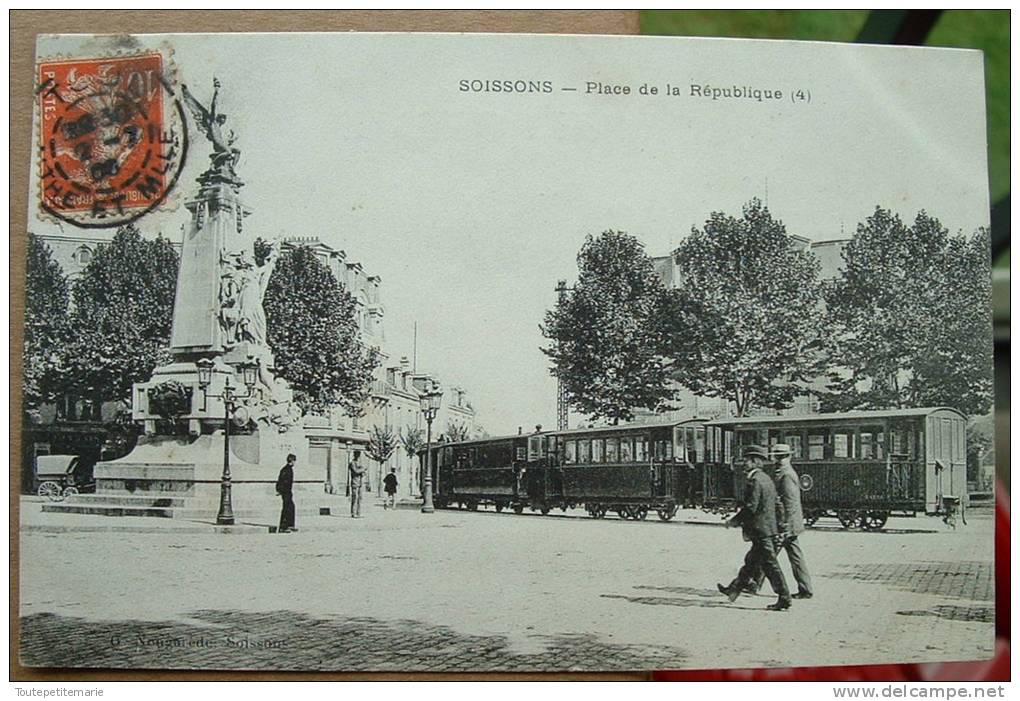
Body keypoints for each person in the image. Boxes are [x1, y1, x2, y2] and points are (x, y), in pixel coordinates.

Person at [717, 445, 793, 611]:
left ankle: (784, 597)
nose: (743, 463)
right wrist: (780, 525)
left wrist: (733, 521)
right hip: (767, 529)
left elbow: (751, 507)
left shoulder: (755, 481)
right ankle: (734, 589)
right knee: (751, 562)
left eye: (746, 460)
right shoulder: (766, 478)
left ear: (754, 462)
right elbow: (778, 504)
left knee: (770, 565)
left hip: (761, 530)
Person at [746, 443, 814, 599]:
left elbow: (790, 503)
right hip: (787, 523)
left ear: (789, 457)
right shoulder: (781, 472)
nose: (779, 460)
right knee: (792, 555)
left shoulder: (787, 475)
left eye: (783, 457)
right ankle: (805, 588)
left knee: (767, 554)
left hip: (786, 523)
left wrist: (785, 526)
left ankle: (754, 583)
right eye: (777, 456)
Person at [275, 453, 297, 533]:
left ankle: (290, 525)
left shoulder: (288, 469)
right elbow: (281, 481)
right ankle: (283, 527)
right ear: (291, 461)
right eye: (294, 461)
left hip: (288, 491)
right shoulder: (286, 469)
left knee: (291, 507)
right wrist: (280, 490)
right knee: (286, 508)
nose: (295, 463)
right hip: (286, 492)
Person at [348, 452, 367, 518]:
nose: (358, 457)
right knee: (355, 498)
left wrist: (362, 471)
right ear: (355, 455)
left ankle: (358, 513)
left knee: (360, 498)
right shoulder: (352, 463)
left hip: (360, 483)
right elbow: (356, 471)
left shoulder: (358, 464)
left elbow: (362, 473)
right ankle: (353, 513)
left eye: (359, 456)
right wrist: (363, 469)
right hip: (355, 483)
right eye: (357, 456)